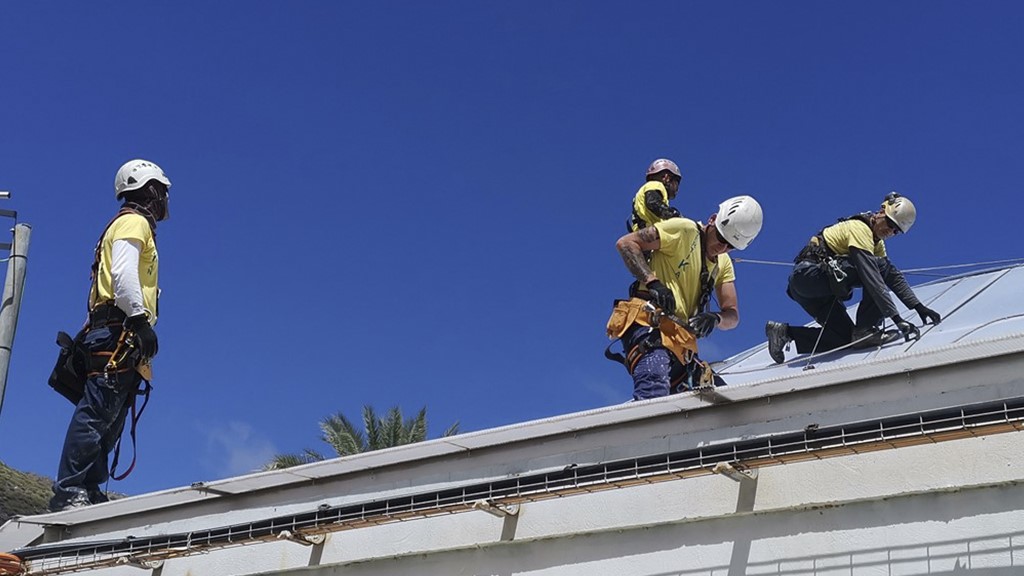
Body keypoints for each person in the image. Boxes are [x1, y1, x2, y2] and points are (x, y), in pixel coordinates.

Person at [49, 159, 171, 512]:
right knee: (97, 413)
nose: (165, 199)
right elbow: (123, 273)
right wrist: (138, 319)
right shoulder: (134, 222)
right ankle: (69, 491)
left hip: (116, 333)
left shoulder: (133, 224)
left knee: (109, 419)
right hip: (118, 330)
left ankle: (88, 490)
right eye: (161, 191)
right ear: (150, 190)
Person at [608, 196, 764, 400]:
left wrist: (715, 319)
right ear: (712, 220)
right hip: (649, 324)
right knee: (653, 388)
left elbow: (732, 315)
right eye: (721, 238)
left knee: (721, 403)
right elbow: (626, 243)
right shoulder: (684, 230)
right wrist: (652, 282)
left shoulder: (723, 263)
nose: (722, 248)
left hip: (681, 343)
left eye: (730, 246)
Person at [765, 193, 941, 364]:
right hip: (808, 277)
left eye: (896, 231)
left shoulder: (877, 244)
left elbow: (892, 276)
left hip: (816, 290)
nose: (890, 231)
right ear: (880, 212)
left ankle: (784, 333)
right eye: (889, 223)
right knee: (877, 269)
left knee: (846, 338)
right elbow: (873, 277)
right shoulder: (860, 229)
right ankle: (865, 329)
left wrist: (918, 307)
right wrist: (896, 318)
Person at [628, 158, 683, 232]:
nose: (677, 188)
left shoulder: (644, 189)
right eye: (676, 182)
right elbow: (653, 203)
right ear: (666, 177)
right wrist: (674, 215)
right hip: (650, 233)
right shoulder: (656, 185)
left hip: (642, 231)